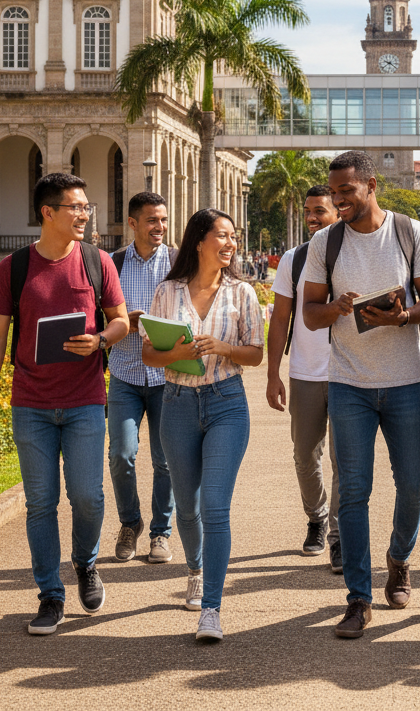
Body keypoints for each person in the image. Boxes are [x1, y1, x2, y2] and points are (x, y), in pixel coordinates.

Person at [0, 173, 129, 636]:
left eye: (87, 208)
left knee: (88, 497)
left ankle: (85, 564)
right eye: (76, 208)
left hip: (85, 401)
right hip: (31, 404)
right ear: (48, 212)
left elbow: (121, 320)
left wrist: (101, 339)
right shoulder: (14, 268)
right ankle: (49, 594)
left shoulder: (96, 261)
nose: (84, 215)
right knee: (41, 503)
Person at [302, 150, 420, 640]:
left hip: (405, 380)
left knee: (414, 485)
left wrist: (404, 317)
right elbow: (309, 314)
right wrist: (337, 307)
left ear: (371, 185)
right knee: (354, 492)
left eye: (346, 191)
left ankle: (399, 559)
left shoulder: (409, 231)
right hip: (349, 384)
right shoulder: (326, 241)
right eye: (333, 192)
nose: (338, 199)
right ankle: (358, 598)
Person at [142, 208, 264, 643]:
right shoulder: (168, 292)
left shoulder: (242, 293)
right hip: (176, 404)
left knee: (215, 507)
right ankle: (195, 569)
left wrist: (224, 347)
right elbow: (149, 356)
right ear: (199, 241)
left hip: (226, 404)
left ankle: (211, 608)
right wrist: (178, 353)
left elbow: (256, 354)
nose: (230, 244)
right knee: (186, 504)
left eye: (234, 237)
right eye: (222, 236)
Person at [267, 185, 342, 568]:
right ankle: (317, 517)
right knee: (304, 454)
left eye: (321, 211)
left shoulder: (351, 254)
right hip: (306, 373)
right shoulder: (293, 260)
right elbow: (280, 318)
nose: (313, 217)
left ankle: (339, 534)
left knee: (344, 458)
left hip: (350, 373)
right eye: (309, 211)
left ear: (338, 213)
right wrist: (273, 374)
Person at [106, 192, 177, 566]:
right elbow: (97, 317)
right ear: (132, 223)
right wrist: (123, 324)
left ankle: (161, 533)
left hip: (167, 377)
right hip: (125, 374)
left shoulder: (180, 261)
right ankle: (130, 523)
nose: (159, 227)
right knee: (122, 455)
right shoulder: (112, 263)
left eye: (163, 220)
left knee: (166, 460)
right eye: (152, 220)